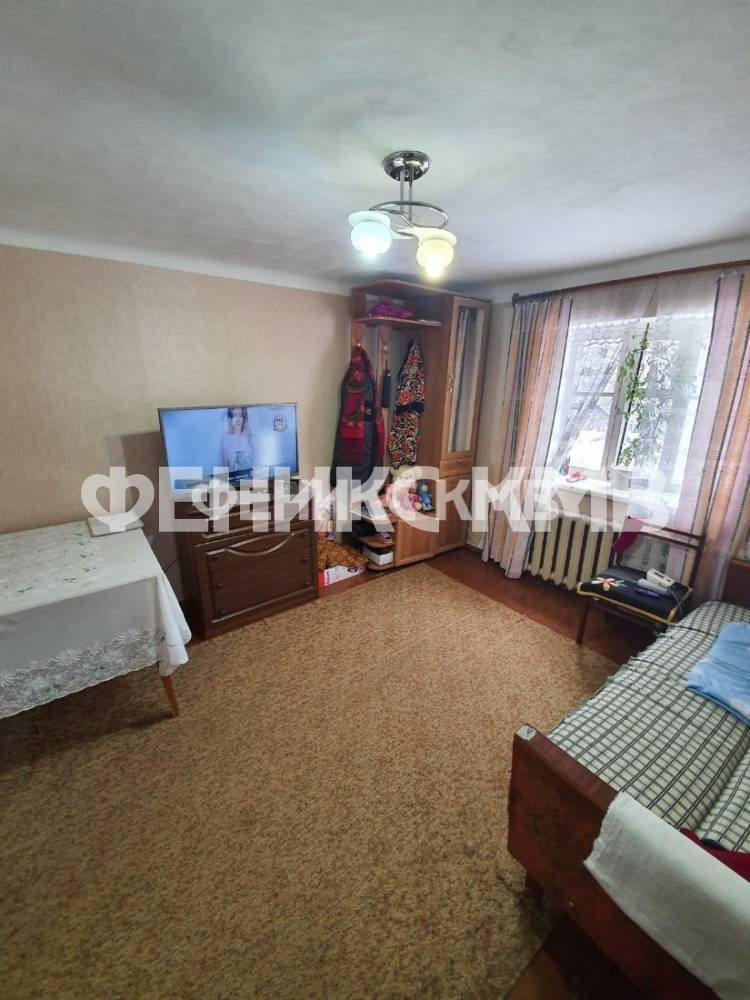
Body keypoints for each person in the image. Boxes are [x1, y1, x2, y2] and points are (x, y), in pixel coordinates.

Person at [221, 407, 253, 474]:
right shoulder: (226, 440)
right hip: (233, 479)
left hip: (250, 478)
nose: (238, 419)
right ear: (230, 419)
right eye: (235, 415)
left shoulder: (248, 437)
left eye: (241, 415)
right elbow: (224, 469)